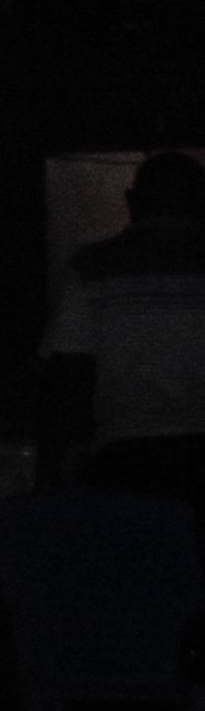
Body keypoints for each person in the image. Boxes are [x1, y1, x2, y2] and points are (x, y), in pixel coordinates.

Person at [43, 149, 205, 513]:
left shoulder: (92, 267)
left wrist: (62, 460)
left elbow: (71, 372)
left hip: (126, 458)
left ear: (132, 201)